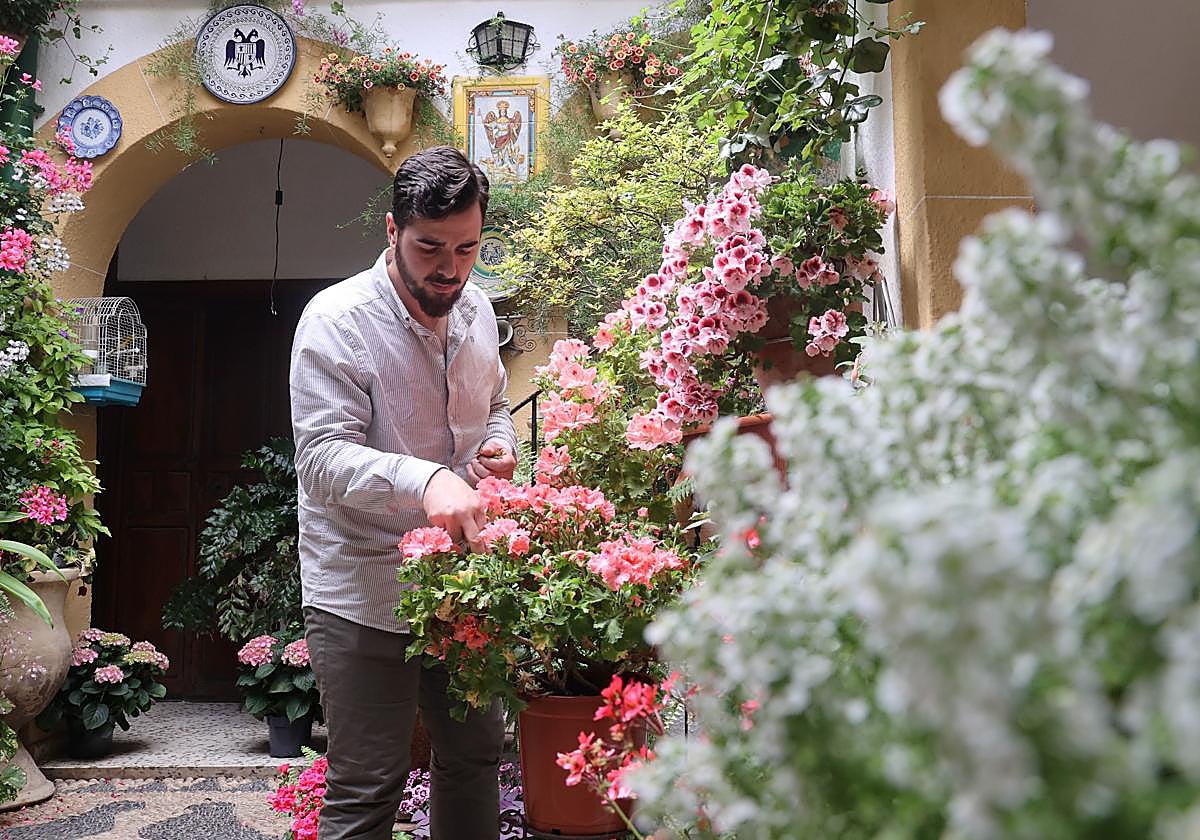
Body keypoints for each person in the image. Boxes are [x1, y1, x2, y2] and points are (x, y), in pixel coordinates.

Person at [289, 145, 517, 840]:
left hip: (462, 586)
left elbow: (497, 402)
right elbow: (322, 461)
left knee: (476, 759)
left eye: (467, 247)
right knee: (367, 786)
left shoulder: (476, 309)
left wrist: (498, 448)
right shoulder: (335, 321)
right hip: (362, 589)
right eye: (429, 248)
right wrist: (428, 478)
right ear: (392, 232)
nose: (449, 269)